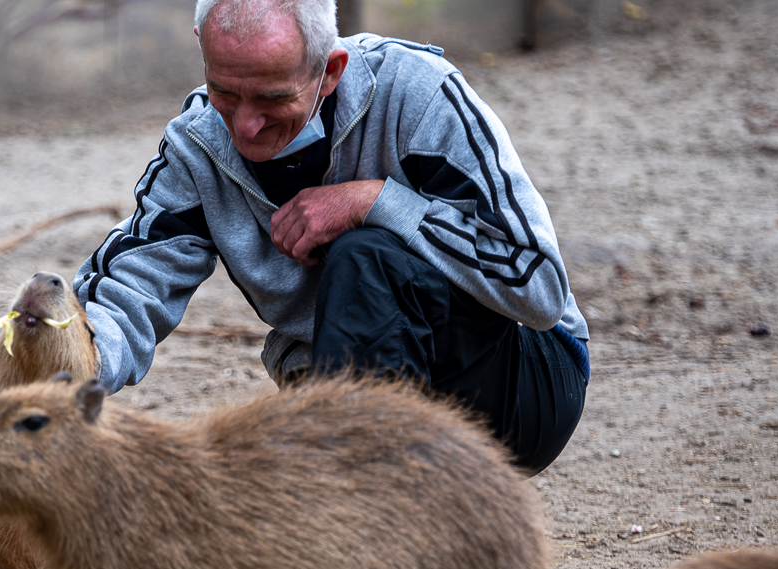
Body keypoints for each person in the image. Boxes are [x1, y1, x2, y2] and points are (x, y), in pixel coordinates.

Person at [75, 0, 588, 472]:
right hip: (352, 391)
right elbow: (131, 287)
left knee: (366, 258)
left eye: (272, 97)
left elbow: (538, 285)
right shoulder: (197, 146)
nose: (245, 127)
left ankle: (355, 513)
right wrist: (64, 361)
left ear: (330, 71)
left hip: (525, 383)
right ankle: (364, 495)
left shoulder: (418, 93)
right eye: (225, 92)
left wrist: (374, 202)